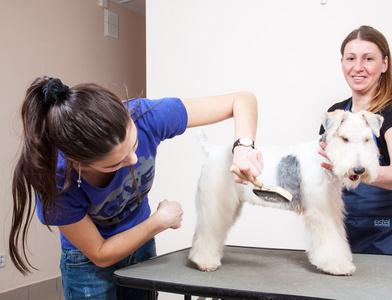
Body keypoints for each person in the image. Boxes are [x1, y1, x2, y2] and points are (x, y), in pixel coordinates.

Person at [10, 76, 263, 299]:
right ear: (78, 164)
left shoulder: (145, 116)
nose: (132, 160)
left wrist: (243, 147)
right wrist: (159, 221)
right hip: (86, 263)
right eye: (116, 163)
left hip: (140, 246)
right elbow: (99, 253)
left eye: (133, 143)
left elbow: (241, 100)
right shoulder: (55, 181)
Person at [319, 25, 392, 256]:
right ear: (342, 63)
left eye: (368, 59)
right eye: (351, 58)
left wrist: (359, 172)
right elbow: (323, 166)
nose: (358, 67)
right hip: (342, 223)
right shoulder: (335, 114)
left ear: (384, 64)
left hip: (388, 231)